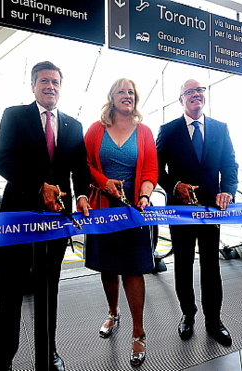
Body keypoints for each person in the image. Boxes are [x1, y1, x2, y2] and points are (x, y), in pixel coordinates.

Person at [0, 61, 91, 371]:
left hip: (56, 219)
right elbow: (2, 160)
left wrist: (84, 195)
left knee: (50, 287)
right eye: (44, 81)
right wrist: (38, 186)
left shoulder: (74, 126)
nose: (51, 86)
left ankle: (49, 350)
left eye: (56, 82)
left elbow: (80, 170)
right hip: (17, 217)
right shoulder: (15, 116)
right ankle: (5, 359)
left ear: (61, 87)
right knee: (11, 288)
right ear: (33, 86)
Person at [156, 79, 238, 346]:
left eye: (200, 91)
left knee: (211, 266)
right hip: (180, 211)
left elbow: (230, 165)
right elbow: (156, 170)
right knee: (183, 264)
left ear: (205, 96)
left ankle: (214, 320)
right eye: (189, 92)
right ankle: (187, 314)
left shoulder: (220, 128)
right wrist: (175, 186)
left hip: (211, 210)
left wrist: (227, 190)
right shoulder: (168, 131)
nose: (196, 95)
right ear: (181, 100)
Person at [84, 78, 158, 367]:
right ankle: (113, 313)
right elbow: (86, 165)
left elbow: (151, 169)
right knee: (108, 267)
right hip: (103, 210)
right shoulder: (95, 129)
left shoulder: (144, 132)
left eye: (131, 92)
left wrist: (144, 195)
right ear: (111, 97)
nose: (127, 95)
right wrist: (103, 183)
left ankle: (138, 331)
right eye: (121, 92)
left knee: (133, 270)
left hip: (133, 212)